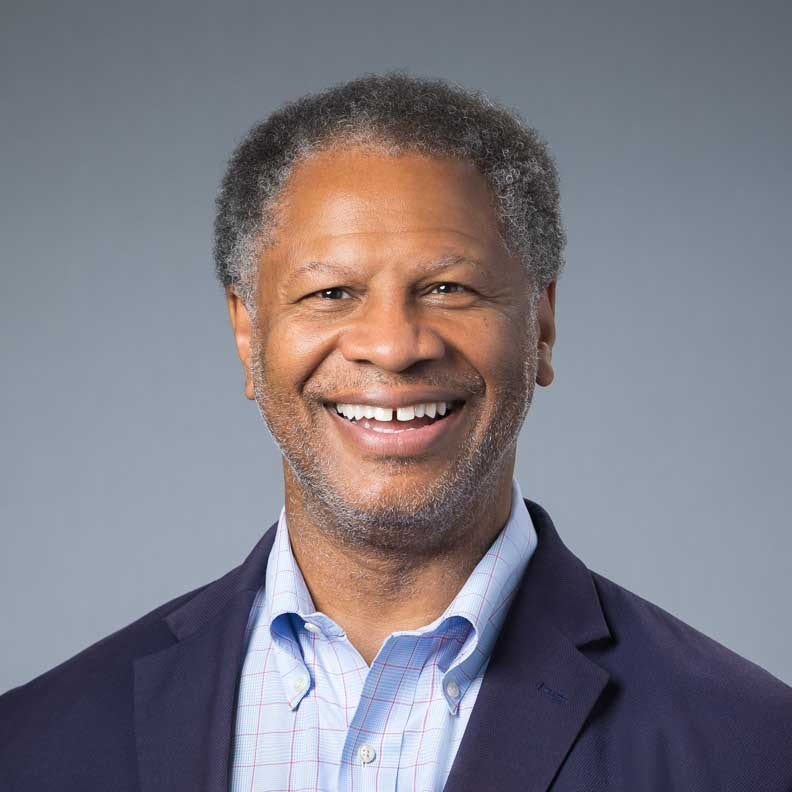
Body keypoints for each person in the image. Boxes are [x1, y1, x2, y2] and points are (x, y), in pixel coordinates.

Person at [1, 72, 790, 792]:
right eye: (331, 293)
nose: (392, 345)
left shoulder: (754, 750)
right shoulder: (33, 747)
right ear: (247, 332)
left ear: (541, 323)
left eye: (449, 288)